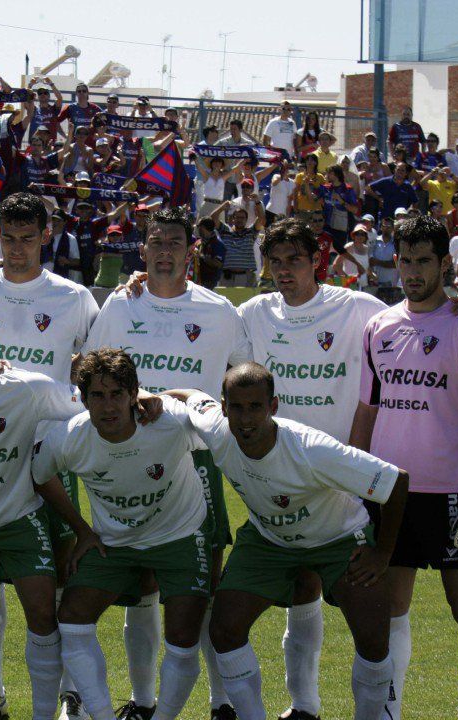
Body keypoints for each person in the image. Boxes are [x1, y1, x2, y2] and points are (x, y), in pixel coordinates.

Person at [0, 315, 158, 720]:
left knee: (41, 614)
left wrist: (150, 399)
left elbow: (86, 399)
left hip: (16, 517)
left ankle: (41, 714)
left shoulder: (27, 389)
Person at [167, 363, 410, 720]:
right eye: (237, 407)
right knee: (224, 628)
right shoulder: (215, 428)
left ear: (274, 407)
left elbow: (396, 482)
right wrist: (149, 398)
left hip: (339, 538)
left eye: (256, 407)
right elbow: (189, 396)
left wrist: (383, 553)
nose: (246, 418)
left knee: (374, 641)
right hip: (269, 540)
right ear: (223, 407)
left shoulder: (311, 448)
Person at [86, 206, 250, 719]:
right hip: (125, 461)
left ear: (190, 251)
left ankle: (221, 701)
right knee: (140, 587)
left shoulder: (220, 311)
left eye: (174, 242)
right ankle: (141, 700)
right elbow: (87, 374)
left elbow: (243, 381)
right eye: (155, 241)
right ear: (142, 250)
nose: (163, 251)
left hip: (194, 464)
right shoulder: (118, 306)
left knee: (201, 585)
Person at [0, 192, 100, 720]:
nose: (16, 250)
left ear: (45, 236)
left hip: (52, 456)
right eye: (8, 239)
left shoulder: (74, 297)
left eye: (27, 239)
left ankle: (69, 695)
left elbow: (95, 365)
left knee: (62, 575)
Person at [236, 217, 394, 720]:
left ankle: (375, 710)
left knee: (364, 613)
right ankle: (303, 705)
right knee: (299, 594)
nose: (283, 271)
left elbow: (413, 325)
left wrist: (457, 307)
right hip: (276, 478)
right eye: (275, 261)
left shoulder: (358, 308)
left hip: (340, 483)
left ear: (316, 262)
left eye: (294, 261)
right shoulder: (253, 314)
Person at [351, 214, 458, 720]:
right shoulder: (379, 327)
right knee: (392, 609)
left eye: (424, 261)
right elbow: (366, 411)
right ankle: (392, 713)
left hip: (457, 493)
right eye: (405, 260)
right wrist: (357, 487)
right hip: (392, 493)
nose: (413, 271)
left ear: (444, 264)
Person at [34, 349, 213, 720]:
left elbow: (207, 411)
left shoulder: (170, 422)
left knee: (183, 636)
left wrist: (170, 395)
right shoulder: (69, 437)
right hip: (114, 543)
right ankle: (101, 715)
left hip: (179, 536)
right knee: (71, 617)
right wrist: (82, 529)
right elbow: (40, 475)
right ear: (82, 400)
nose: (108, 406)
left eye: (117, 393)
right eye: (97, 396)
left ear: (135, 394)